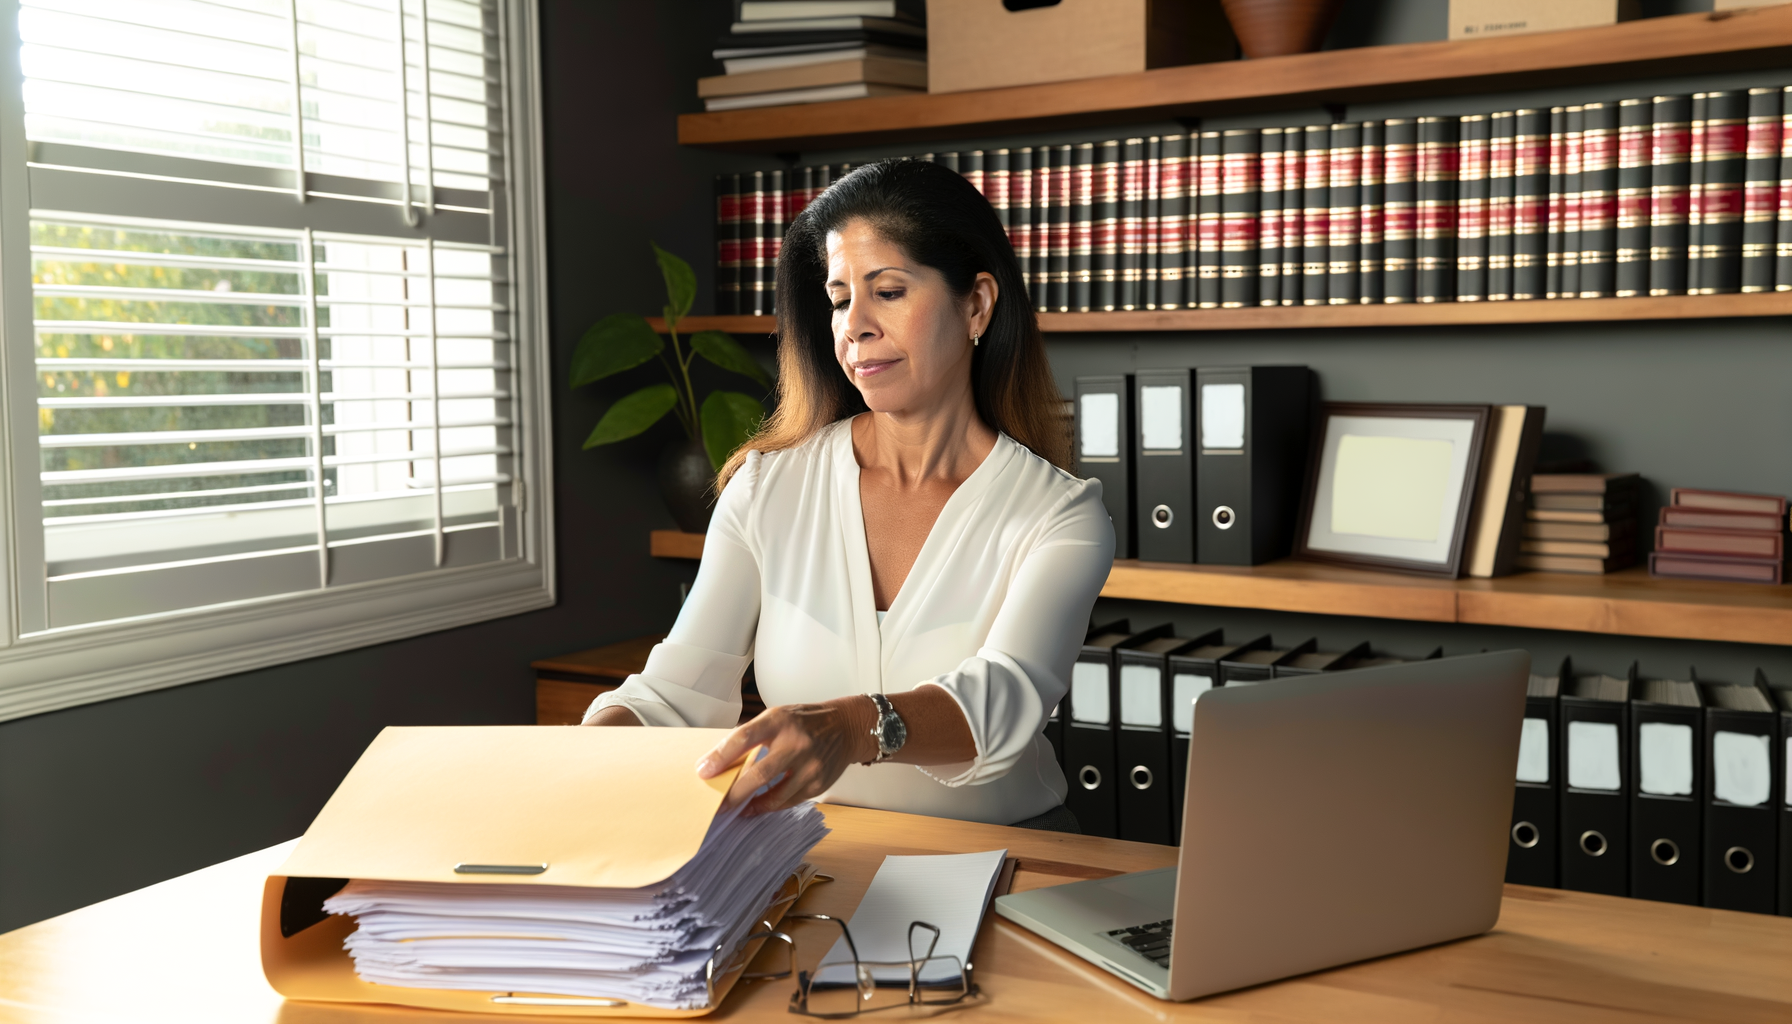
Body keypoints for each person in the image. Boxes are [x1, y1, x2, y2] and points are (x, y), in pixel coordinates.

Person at [585, 159, 1113, 832]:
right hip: (812, 858)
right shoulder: (766, 488)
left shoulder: (1059, 515)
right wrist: (592, 748)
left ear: (976, 304)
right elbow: (676, 694)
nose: (854, 325)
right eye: (839, 299)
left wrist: (852, 725)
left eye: (887, 291)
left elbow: (1002, 703)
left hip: (1007, 856)